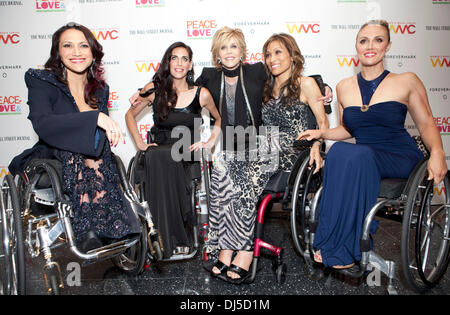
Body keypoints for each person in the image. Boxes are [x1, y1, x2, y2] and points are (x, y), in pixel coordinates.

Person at [298, 20, 448, 269]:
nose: (370, 46)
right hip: (365, 157)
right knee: (338, 153)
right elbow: (348, 129)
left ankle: (347, 245)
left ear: (387, 46)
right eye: (363, 40)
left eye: (378, 40)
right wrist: (321, 132)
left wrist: (438, 152)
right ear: (356, 46)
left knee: (356, 154)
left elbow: (427, 123)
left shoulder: (407, 80)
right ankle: (330, 240)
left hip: (399, 155)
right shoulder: (344, 87)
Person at [205, 33, 329, 283]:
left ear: (292, 55)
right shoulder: (265, 85)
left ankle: (246, 250)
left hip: (294, 152)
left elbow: (323, 121)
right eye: (268, 54)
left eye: (278, 52)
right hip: (264, 146)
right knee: (221, 165)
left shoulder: (305, 83)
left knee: (242, 173)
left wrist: (317, 144)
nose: (272, 59)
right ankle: (226, 245)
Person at [8, 22, 141, 251]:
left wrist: (99, 123)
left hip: (93, 156)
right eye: (68, 45)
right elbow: (43, 123)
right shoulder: (41, 80)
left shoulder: (100, 89)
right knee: (78, 150)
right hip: (51, 155)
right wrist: (93, 119)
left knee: (98, 150)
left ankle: (110, 223)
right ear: (58, 52)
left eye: (83, 46)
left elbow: (101, 137)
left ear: (93, 52)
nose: (77, 52)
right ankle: (87, 228)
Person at [125, 42, 221, 259]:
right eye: (174, 58)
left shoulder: (201, 93)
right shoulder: (155, 92)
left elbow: (219, 118)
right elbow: (129, 115)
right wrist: (140, 143)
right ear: (168, 63)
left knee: (164, 156)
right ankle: (160, 236)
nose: (179, 63)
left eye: (184, 59)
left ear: (190, 65)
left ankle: (168, 237)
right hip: (159, 150)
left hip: (187, 151)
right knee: (156, 154)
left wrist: (209, 142)